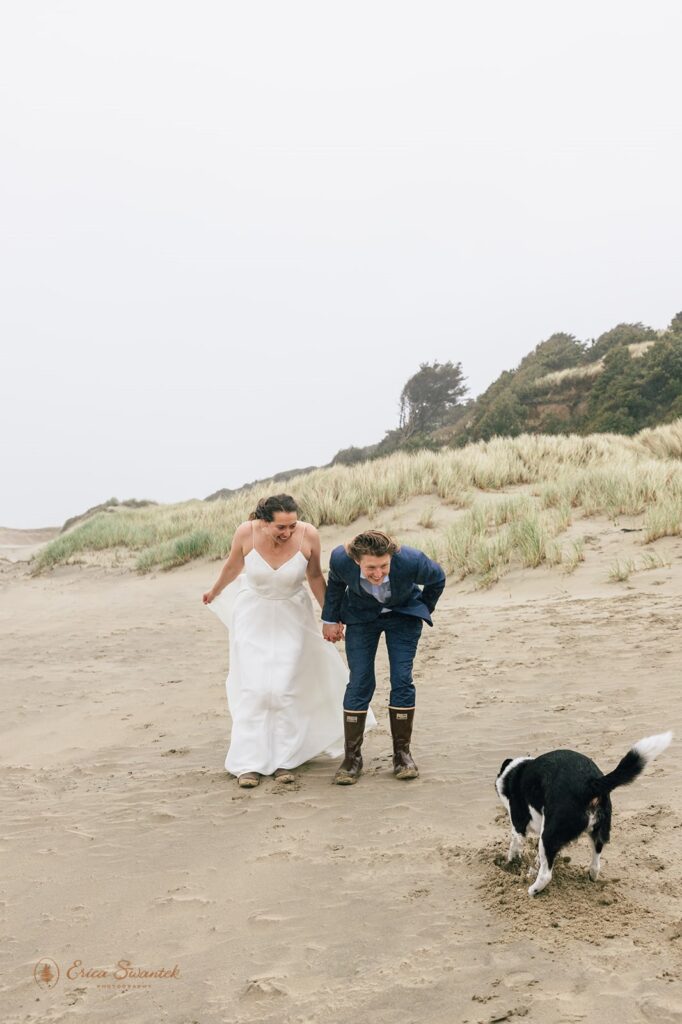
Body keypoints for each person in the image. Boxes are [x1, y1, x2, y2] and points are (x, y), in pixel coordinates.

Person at [203, 494, 376, 789]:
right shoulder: (246, 532)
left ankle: (285, 759)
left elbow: (315, 577)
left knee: (284, 688)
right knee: (255, 688)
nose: (287, 533)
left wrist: (329, 616)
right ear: (263, 522)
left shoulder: (309, 535)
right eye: (280, 527)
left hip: (293, 617)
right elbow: (233, 566)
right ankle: (249, 762)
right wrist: (214, 590)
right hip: (252, 617)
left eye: (292, 526)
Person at [321, 530, 445, 785]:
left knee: (402, 679)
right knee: (360, 682)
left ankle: (402, 755)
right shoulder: (340, 559)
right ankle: (352, 758)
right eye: (371, 568)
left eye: (384, 566)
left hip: (403, 616)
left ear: (392, 557)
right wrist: (331, 619)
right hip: (360, 617)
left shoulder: (410, 560)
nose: (378, 574)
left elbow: (438, 578)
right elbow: (334, 584)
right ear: (357, 561)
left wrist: (422, 606)